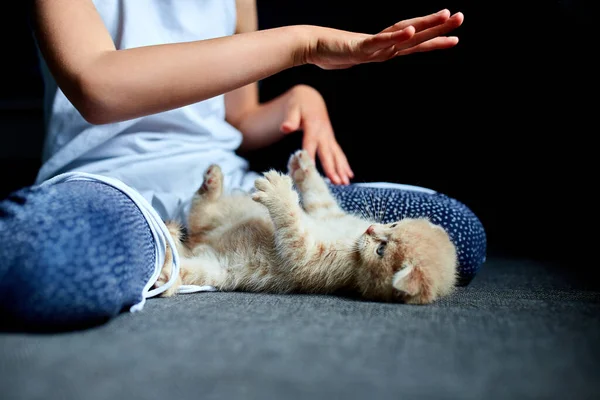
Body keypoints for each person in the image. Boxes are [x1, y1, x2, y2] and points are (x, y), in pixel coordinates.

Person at [0, 0, 485, 331]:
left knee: (456, 234)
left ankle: (293, 246)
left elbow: (239, 118)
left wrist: (301, 95)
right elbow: (97, 87)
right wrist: (303, 46)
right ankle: (166, 254)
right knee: (30, 264)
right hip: (115, 184)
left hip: (231, 189)